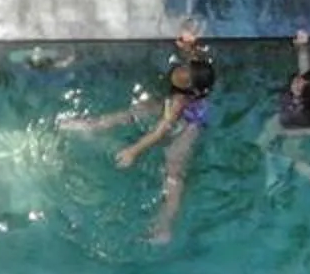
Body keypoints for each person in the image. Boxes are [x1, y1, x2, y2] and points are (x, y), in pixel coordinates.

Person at [64, 28, 218, 244]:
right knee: (135, 112)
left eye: (181, 77)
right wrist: (188, 47)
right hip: (174, 103)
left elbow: (160, 132)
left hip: (190, 124)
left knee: (173, 174)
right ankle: (94, 125)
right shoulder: (196, 70)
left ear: (189, 89)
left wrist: (133, 151)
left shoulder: (179, 103)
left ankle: (164, 228)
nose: (177, 73)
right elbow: (196, 59)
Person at [257, 29, 310, 194]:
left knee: (269, 147)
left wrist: (292, 133)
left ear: (306, 97)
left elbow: (297, 130)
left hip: (294, 126)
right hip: (300, 123)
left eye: (299, 86)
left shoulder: (301, 112)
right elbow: (304, 68)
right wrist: (302, 47)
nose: (295, 82)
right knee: (286, 153)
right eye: (298, 80)